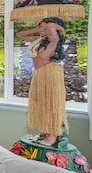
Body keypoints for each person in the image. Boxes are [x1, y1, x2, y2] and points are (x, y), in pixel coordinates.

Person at [15, 17, 67, 146]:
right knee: (41, 102)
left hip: (50, 73)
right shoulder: (38, 40)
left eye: (45, 27)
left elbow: (58, 30)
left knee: (51, 103)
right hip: (39, 74)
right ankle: (45, 129)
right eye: (41, 26)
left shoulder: (54, 40)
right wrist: (39, 29)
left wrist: (52, 25)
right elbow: (19, 34)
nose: (43, 29)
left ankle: (52, 134)